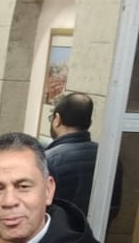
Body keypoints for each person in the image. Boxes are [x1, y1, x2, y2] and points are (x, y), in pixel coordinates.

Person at [44, 92, 123, 220]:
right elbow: (113, 206)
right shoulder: (108, 156)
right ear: (90, 123)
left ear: (57, 119)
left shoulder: (48, 159)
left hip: (57, 230)